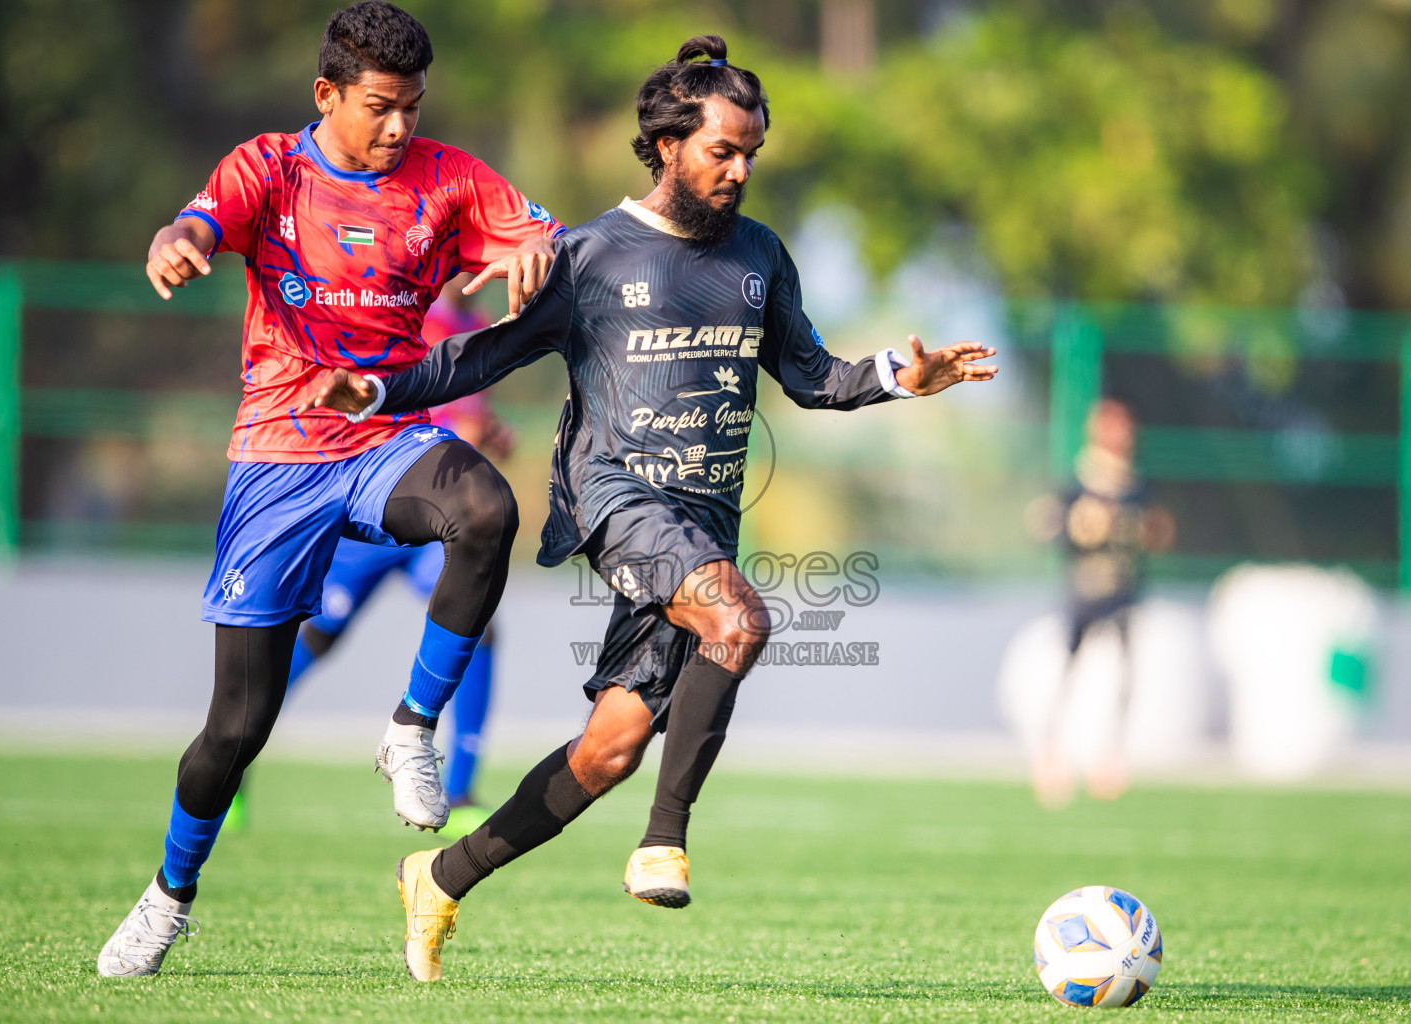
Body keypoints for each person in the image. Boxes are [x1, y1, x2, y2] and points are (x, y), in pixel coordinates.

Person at [304, 34, 1000, 982]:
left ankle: (439, 876)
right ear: (670, 144)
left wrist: (898, 376)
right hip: (616, 496)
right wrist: (378, 391)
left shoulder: (761, 255)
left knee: (612, 746)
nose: (740, 169)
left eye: (752, 152)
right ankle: (662, 843)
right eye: (724, 150)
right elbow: (479, 359)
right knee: (739, 616)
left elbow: (812, 378)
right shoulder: (587, 255)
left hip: (703, 522)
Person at [97, 2, 563, 978]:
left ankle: (409, 728)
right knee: (235, 729)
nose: (401, 128)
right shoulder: (268, 167)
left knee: (485, 508)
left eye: (414, 108)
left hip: (389, 436)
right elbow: (197, 219)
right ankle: (167, 896)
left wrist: (536, 249)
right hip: (278, 456)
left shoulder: (447, 176)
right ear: (329, 95)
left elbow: (539, 234)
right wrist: (174, 241)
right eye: (383, 108)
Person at [242, 279, 513, 836]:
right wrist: (458, 429)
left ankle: (460, 790)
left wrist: (489, 433)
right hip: (381, 506)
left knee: (481, 628)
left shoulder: (477, 325)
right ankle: (232, 758)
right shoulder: (408, 317)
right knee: (316, 637)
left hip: (435, 520)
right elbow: (383, 405)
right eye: (466, 252)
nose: (478, 265)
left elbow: (461, 417)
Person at [1023, 398, 1174, 807]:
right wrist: (1065, 525)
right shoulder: (1079, 480)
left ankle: (1111, 756)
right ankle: (1052, 752)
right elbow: (1048, 524)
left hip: (1124, 590)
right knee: (1069, 669)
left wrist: (1152, 531)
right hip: (1085, 589)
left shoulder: (1137, 486)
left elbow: (1158, 532)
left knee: (1125, 673)